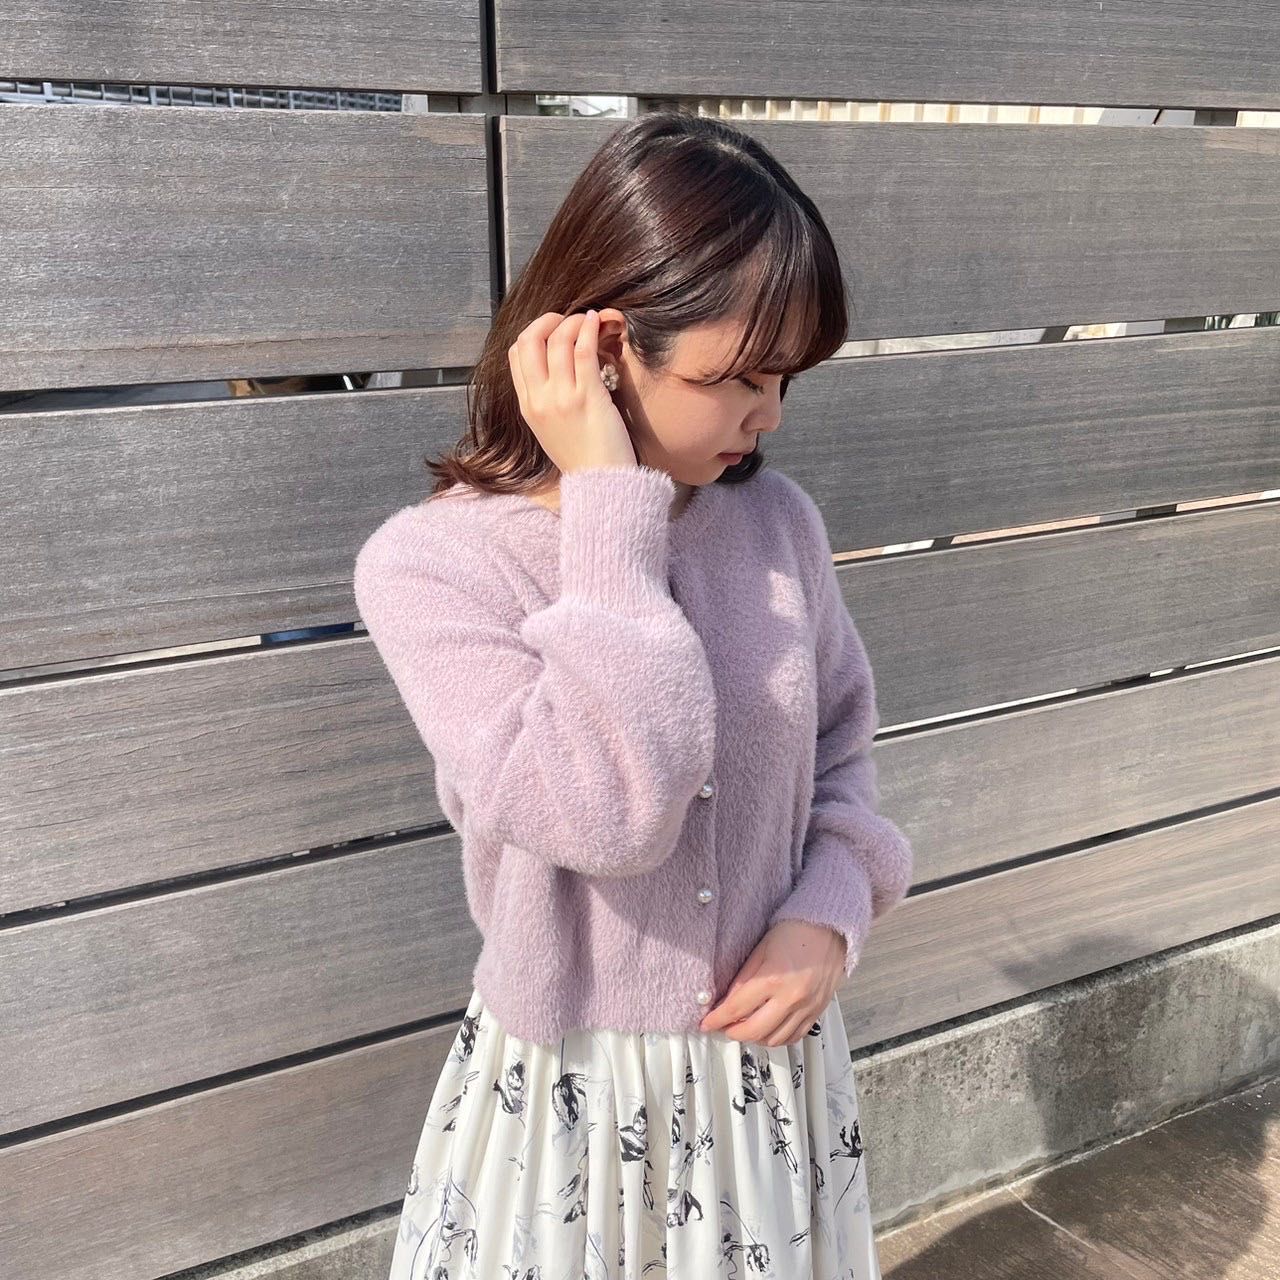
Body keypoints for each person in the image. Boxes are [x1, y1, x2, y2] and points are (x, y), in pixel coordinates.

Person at [353, 108, 914, 1280]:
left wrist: (828, 913)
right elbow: (604, 813)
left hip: (766, 1080)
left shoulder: (777, 524)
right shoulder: (431, 567)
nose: (768, 413)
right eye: (736, 376)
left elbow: (842, 753)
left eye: (785, 376)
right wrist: (609, 501)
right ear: (605, 349)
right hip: (571, 1094)